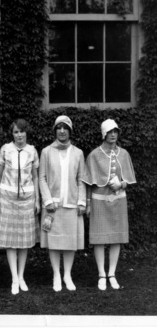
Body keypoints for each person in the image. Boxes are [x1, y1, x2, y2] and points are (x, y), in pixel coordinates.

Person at [83, 119, 136, 290]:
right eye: (109, 132)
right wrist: (89, 203)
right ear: (103, 134)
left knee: (116, 239)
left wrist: (121, 184)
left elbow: (128, 179)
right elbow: (89, 183)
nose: (113, 134)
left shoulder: (124, 154)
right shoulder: (94, 155)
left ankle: (112, 273)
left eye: (115, 131)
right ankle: (101, 274)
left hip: (119, 199)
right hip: (99, 200)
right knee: (99, 239)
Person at [39, 115, 86, 292]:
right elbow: (42, 178)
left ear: (70, 131)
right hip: (52, 206)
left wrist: (82, 201)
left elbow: (82, 179)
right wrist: (47, 199)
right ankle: (56, 275)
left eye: (65, 128)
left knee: (69, 242)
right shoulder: (46, 152)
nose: (62, 131)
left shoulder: (78, 153)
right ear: (54, 130)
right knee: (54, 242)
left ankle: (67, 274)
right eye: (59, 128)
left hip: (71, 205)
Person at [0, 118, 40, 295]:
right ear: (12, 134)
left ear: (26, 133)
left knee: (24, 242)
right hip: (8, 200)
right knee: (11, 242)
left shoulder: (32, 151)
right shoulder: (5, 149)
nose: (19, 135)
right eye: (16, 132)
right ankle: (14, 277)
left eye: (22, 131)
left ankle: (21, 277)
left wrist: (37, 200)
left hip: (27, 200)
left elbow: (35, 177)